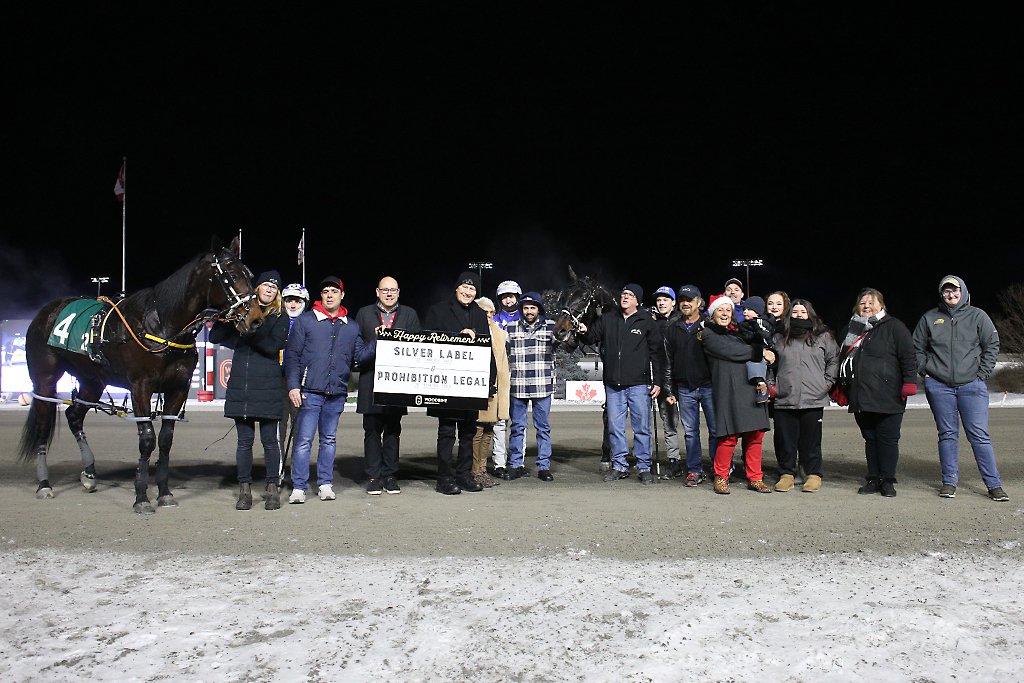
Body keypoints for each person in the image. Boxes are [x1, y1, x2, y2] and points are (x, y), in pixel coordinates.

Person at [913, 275, 1009, 502]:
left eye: (955, 290)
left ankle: (994, 484)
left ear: (963, 291)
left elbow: (992, 345)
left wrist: (982, 373)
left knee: (979, 436)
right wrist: (925, 370)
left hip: (972, 386)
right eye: (946, 291)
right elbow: (916, 347)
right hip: (939, 386)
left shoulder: (978, 316)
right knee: (947, 435)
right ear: (941, 294)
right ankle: (949, 482)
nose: (951, 294)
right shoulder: (930, 318)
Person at [284, 275, 375, 504]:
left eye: (334, 291)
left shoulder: (351, 326)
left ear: (342, 295)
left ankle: (325, 483)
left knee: (329, 440)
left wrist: (377, 338)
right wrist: (294, 386)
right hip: (309, 392)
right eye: (326, 291)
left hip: (336, 393)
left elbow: (361, 356)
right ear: (321, 296)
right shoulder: (306, 321)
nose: (330, 295)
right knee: (304, 440)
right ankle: (299, 486)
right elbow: (292, 356)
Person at [209, 270, 290, 510]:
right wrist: (229, 316)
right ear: (256, 288)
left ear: (277, 294)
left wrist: (248, 328)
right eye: (265, 285)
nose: (269, 289)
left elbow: (273, 346)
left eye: (274, 287)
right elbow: (215, 336)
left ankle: (272, 488)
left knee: (269, 442)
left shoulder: (280, 316)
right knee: (244, 442)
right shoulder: (240, 313)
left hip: (268, 387)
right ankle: (244, 490)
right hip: (242, 388)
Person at [578, 283, 669, 486]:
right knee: (615, 428)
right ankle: (619, 466)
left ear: (637, 300)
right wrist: (583, 330)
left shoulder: (646, 321)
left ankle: (644, 467)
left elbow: (657, 354)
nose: (625, 297)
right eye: (623, 294)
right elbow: (592, 336)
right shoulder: (608, 319)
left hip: (639, 384)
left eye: (630, 295)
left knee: (642, 428)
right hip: (613, 385)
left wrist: (657, 381)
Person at [834, 287, 917, 498]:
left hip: (888, 394)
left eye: (872, 302)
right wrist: (841, 386)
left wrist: (909, 382)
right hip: (861, 394)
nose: (867, 306)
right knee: (870, 438)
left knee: (888, 439)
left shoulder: (894, 327)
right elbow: (842, 360)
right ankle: (873, 478)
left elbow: (908, 356)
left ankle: (887, 480)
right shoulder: (850, 330)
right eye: (863, 302)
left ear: (882, 305)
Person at [424, 270, 492, 495]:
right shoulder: (438, 310)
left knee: (468, 432)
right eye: (464, 287)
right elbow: (428, 343)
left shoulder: (480, 315)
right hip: (445, 384)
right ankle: (444, 478)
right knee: (446, 432)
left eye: (472, 289)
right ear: (456, 288)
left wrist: (489, 382)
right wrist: (457, 335)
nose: (468, 291)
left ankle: (463, 475)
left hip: (471, 385)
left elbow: (487, 349)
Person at [700, 294, 774, 495]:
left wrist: (763, 349)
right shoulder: (708, 334)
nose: (724, 314)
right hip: (727, 390)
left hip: (750, 388)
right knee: (728, 436)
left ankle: (755, 478)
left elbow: (752, 344)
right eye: (720, 310)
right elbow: (731, 351)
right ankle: (721, 477)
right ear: (713, 314)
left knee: (755, 435)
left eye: (728, 310)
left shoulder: (739, 332)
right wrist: (760, 352)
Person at [355, 276, 422, 495]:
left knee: (393, 430)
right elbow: (358, 350)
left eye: (393, 290)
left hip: (397, 383)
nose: (389, 294)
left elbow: (418, 348)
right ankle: (374, 475)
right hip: (371, 380)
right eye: (385, 290)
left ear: (399, 292)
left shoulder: (409, 314)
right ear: (377, 292)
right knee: (372, 430)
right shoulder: (364, 314)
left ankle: (390, 474)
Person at [770, 298, 839, 493]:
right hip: (785, 396)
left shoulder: (823, 336)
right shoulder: (779, 336)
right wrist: (772, 386)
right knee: (785, 439)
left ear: (810, 313)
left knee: (811, 440)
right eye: (795, 312)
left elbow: (833, 360)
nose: (799, 315)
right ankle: (786, 474)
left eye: (803, 312)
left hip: (813, 397)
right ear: (789, 314)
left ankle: (813, 473)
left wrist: (826, 383)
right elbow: (769, 363)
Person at [505, 291, 564, 482]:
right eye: (526, 308)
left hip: (542, 386)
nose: (529, 311)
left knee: (543, 428)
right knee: (517, 427)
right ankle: (515, 465)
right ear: (521, 309)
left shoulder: (551, 326)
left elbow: (566, 341)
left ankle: (543, 466)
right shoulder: (511, 327)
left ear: (539, 309)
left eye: (533, 308)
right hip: (518, 386)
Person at [664, 284, 716, 487]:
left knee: (715, 429)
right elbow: (668, 361)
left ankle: (717, 468)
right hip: (685, 388)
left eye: (690, 300)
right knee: (691, 432)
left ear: (699, 303)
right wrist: (669, 389)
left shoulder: (709, 325)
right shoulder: (672, 328)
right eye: (683, 300)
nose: (686, 303)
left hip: (709, 385)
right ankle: (694, 470)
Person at [470, 296, 508, 488]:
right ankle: (474, 471)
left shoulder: (500, 333)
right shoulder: (472, 332)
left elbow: (503, 366)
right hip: (478, 388)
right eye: (485, 312)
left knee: (488, 430)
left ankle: (482, 470)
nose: (490, 315)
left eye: (492, 312)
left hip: (496, 389)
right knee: (476, 430)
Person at [489, 280, 521, 478]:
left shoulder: (528, 316)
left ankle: (517, 462)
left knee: (518, 422)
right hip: (501, 376)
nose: (508, 300)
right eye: (504, 297)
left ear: (517, 296)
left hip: (521, 376)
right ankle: (499, 463)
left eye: (511, 296)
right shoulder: (494, 319)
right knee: (500, 421)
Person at [651, 286, 682, 479]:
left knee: (680, 422)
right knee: (668, 422)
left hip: (680, 379)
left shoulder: (680, 321)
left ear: (673, 302)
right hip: (659, 380)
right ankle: (673, 460)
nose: (661, 302)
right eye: (658, 300)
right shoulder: (651, 323)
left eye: (665, 299)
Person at [278, 282, 309, 472]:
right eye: (289, 300)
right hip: (278, 381)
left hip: (300, 382)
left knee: (300, 430)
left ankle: (298, 472)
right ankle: (278, 468)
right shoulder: (276, 321)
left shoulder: (310, 322)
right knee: (278, 428)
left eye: (297, 301)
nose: (292, 305)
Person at [737, 296, 775, 404]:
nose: (745, 312)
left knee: (755, 365)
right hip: (753, 351)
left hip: (762, 351)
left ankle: (762, 387)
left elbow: (765, 337)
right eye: (744, 309)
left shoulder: (760, 323)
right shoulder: (744, 324)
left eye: (749, 310)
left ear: (757, 312)